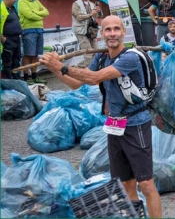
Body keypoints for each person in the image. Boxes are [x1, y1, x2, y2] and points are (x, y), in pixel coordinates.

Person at [39, 15, 163, 218]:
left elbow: (95, 77)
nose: (112, 33)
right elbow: (76, 84)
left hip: (136, 126)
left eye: (116, 29)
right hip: (114, 125)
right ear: (102, 33)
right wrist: (54, 68)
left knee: (147, 184)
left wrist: (62, 66)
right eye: (108, 30)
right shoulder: (102, 56)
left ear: (123, 32)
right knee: (126, 183)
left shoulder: (130, 57)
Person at [19, 0, 49, 84]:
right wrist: (39, 15)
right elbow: (29, 16)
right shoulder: (21, 2)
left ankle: (35, 77)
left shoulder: (36, 1)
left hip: (39, 29)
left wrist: (35, 13)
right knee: (28, 54)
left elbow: (47, 12)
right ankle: (26, 78)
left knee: (35, 55)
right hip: (28, 30)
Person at [72, 0, 102, 68]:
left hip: (91, 31)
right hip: (81, 31)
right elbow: (78, 17)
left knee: (96, 52)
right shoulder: (76, 4)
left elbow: (98, 16)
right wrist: (90, 15)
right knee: (88, 53)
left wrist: (98, 11)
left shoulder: (92, 4)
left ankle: (77, 68)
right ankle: (88, 73)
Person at [1, 0, 21, 79]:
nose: (15, 0)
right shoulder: (1, 9)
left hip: (16, 38)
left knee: (17, 60)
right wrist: (2, 38)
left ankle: (16, 79)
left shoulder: (12, 8)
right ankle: (9, 80)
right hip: (8, 38)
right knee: (8, 61)